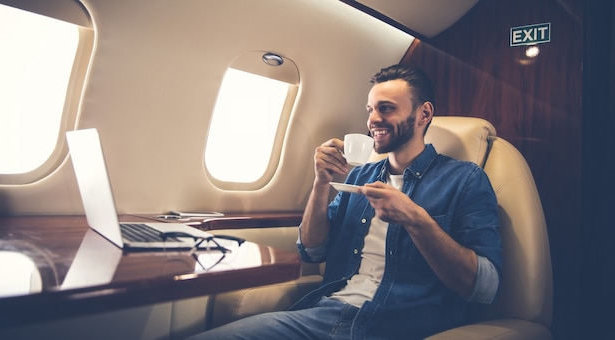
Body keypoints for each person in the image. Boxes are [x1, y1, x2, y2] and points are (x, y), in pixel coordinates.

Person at [188, 64, 502, 339]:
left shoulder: (465, 180)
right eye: (370, 110)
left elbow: (484, 288)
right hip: (324, 317)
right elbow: (312, 250)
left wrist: (415, 218)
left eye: (387, 109)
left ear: (424, 114)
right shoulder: (358, 176)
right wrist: (321, 182)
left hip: (400, 327)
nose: (373, 120)